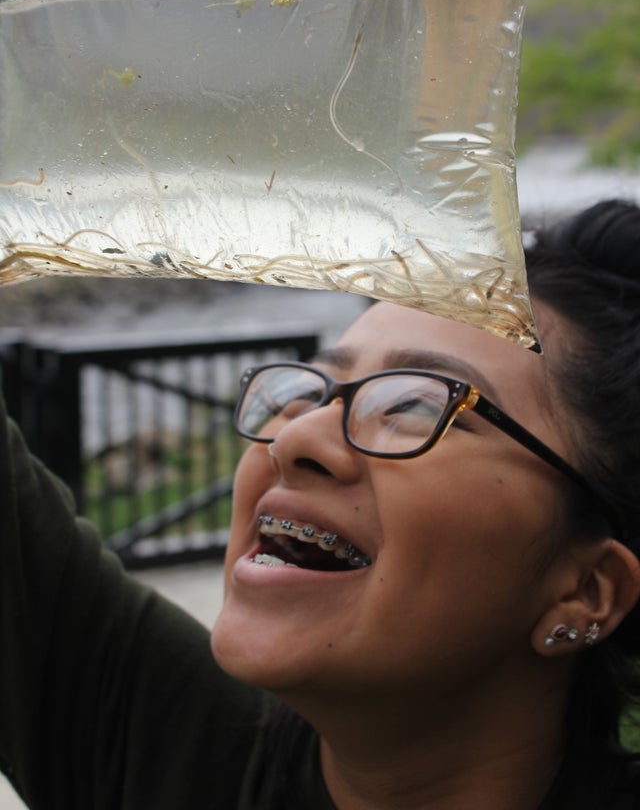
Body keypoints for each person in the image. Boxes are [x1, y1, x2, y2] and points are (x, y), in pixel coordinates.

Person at [1, 198, 640, 809]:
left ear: (586, 588)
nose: (297, 435)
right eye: (311, 389)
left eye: (413, 405)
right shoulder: (163, 751)